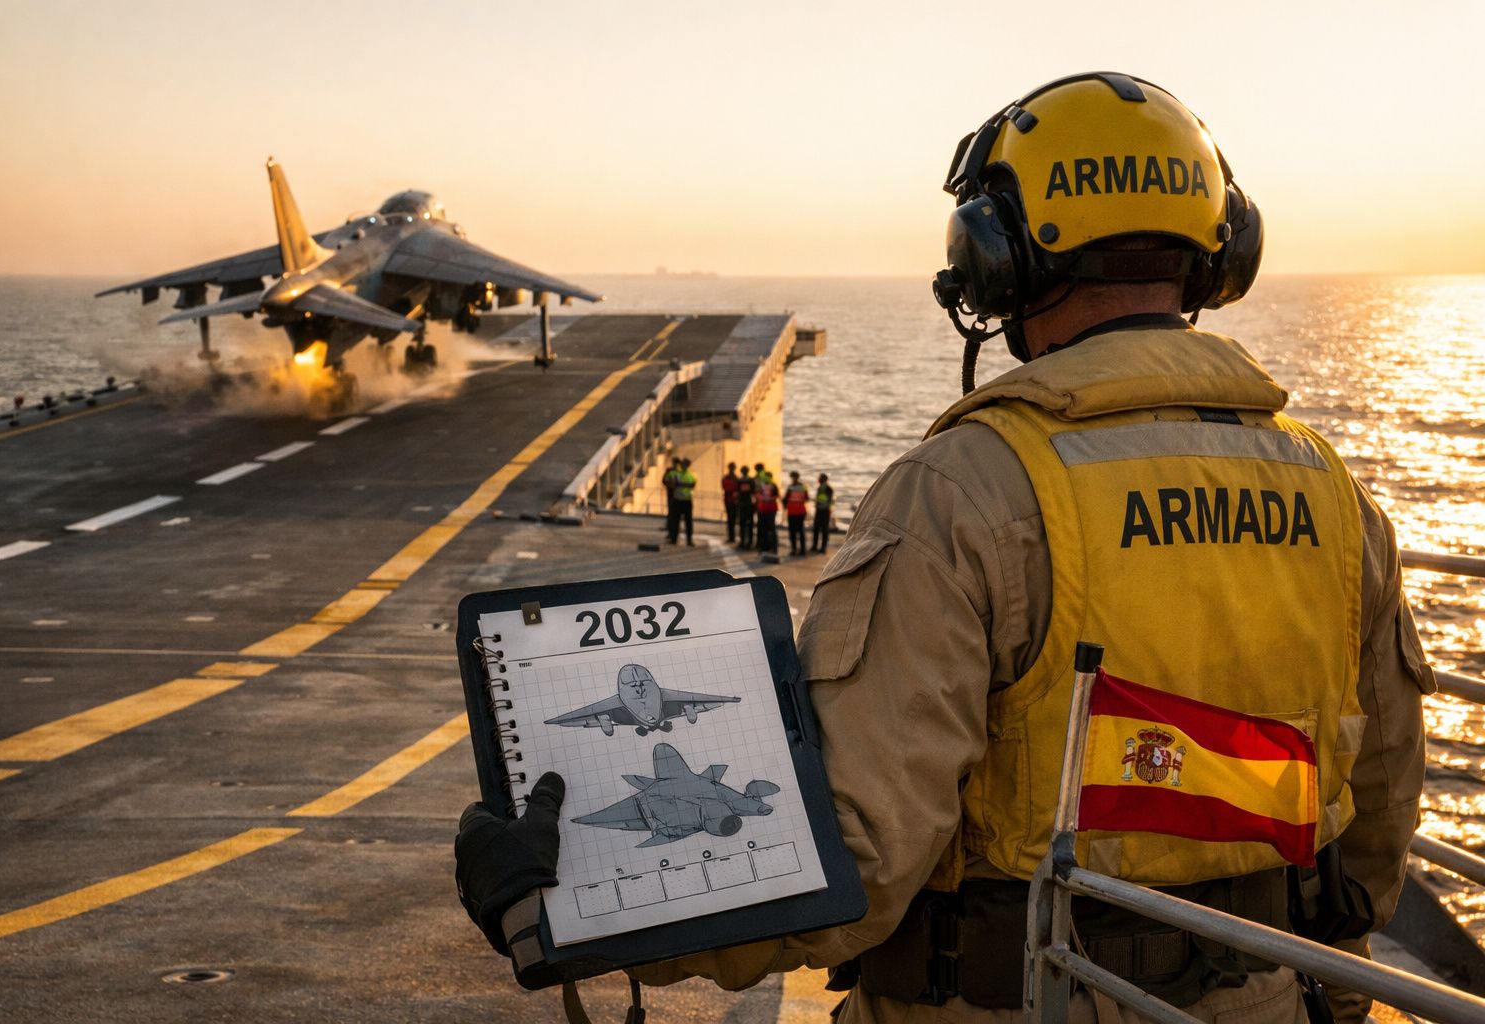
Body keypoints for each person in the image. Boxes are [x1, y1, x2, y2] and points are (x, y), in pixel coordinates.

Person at [455, 72, 1431, 1024]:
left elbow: (860, 863)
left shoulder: (966, 492)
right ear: (1222, 247)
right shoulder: (1335, 492)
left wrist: (560, 908)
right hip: (1267, 993)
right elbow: (1377, 823)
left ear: (999, 255)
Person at [669, 457, 696, 546]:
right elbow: (670, 483)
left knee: (688, 521)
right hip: (677, 500)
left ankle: (689, 540)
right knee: (675, 521)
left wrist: (679, 485)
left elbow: (693, 485)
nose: (684, 466)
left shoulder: (691, 475)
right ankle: (673, 539)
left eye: (686, 464)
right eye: (683, 464)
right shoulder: (675, 473)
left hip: (687, 500)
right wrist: (684, 485)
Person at [784, 470, 810, 556]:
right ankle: (802, 550)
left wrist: (785, 506)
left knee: (793, 531)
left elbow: (785, 499)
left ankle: (794, 550)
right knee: (801, 530)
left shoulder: (790, 487)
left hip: (792, 511)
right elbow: (807, 498)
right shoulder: (803, 487)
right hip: (801, 511)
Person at [754, 471, 780, 555]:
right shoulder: (761, 485)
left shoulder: (773, 485)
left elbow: (777, 495)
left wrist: (769, 499)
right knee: (762, 529)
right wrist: (761, 498)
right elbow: (757, 494)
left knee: (771, 529)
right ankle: (763, 548)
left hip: (771, 509)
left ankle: (774, 548)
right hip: (762, 509)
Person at [812, 472, 834, 553]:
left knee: (824, 529)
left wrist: (823, 506)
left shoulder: (829, 489)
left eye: (820, 478)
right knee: (816, 528)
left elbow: (830, 501)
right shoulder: (819, 488)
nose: (819, 480)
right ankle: (814, 546)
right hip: (819, 510)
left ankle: (823, 548)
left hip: (825, 511)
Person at [736, 465, 757, 549]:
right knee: (750, 524)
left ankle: (742, 542)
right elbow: (753, 492)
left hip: (742, 503)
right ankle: (749, 542)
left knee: (742, 524)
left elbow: (737, 492)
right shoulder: (751, 480)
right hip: (749, 503)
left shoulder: (739, 480)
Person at [660, 456, 680, 543]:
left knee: (674, 515)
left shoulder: (679, 472)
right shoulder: (670, 471)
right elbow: (664, 481)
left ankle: (673, 533)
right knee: (671, 514)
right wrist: (670, 485)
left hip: (678, 496)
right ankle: (670, 532)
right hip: (671, 495)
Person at [722, 462, 740, 543]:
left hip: (734, 501)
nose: (732, 469)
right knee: (730, 519)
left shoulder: (736, 478)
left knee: (733, 519)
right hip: (729, 501)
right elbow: (726, 488)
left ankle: (732, 536)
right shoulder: (727, 478)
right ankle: (731, 537)